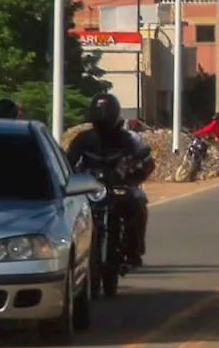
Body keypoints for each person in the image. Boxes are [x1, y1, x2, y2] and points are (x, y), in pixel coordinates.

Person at [66, 93, 156, 268]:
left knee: (138, 203)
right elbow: (69, 163)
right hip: (89, 189)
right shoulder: (82, 139)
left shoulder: (128, 138)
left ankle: (133, 250)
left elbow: (146, 161)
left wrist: (133, 175)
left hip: (119, 186)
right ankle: (73, 256)